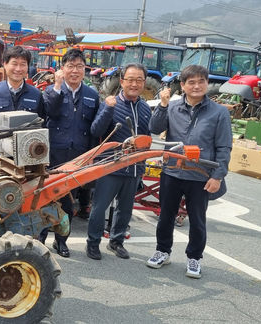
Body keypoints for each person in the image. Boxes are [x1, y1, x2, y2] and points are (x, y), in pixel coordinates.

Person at [147, 64, 232, 279]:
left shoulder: (219, 112)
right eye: (191, 82)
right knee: (165, 215)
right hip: (172, 172)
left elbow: (224, 147)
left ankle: (194, 257)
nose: (196, 86)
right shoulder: (173, 107)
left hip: (200, 175)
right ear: (182, 86)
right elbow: (155, 129)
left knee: (197, 219)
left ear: (207, 83)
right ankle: (162, 251)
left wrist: (218, 176)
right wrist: (163, 105)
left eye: (201, 81)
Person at [85, 63, 152, 260]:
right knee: (99, 207)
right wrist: (107, 109)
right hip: (110, 166)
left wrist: (143, 165)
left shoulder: (145, 108)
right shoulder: (111, 103)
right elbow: (95, 131)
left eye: (139, 80)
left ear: (143, 83)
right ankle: (93, 243)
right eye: (130, 79)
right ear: (121, 81)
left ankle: (116, 241)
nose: (134, 84)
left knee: (125, 209)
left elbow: (147, 138)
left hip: (134, 168)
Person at [39, 49, 100, 257]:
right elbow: (51, 112)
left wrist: (92, 155)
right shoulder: (50, 91)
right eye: (70, 66)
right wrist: (56, 87)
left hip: (77, 155)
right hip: (52, 154)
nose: (75, 71)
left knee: (68, 200)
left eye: (79, 67)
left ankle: (61, 240)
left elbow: (94, 129)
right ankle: (40, 239)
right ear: (62, 69)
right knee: (46, 197)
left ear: (85, 70)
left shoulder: (92, 95)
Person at [0, 45, 44, 174]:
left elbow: (42, 125)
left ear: (28, 67)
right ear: (5, 64)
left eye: (23, 64)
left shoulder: (36, 94)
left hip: (25, 158)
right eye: (14, 64)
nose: (18, 69)